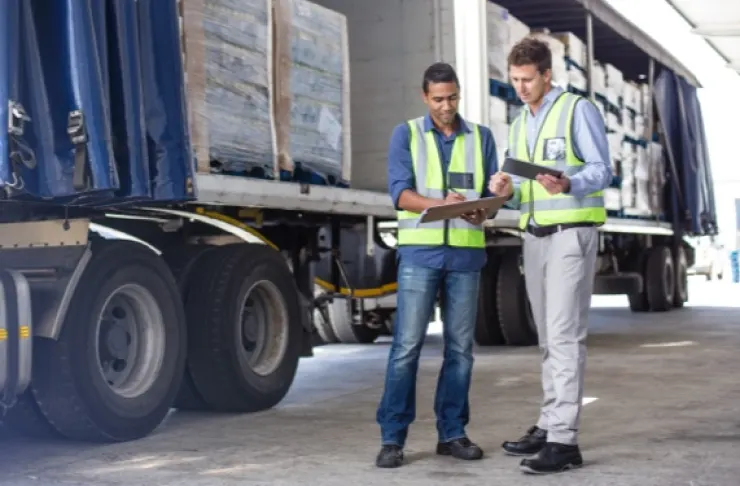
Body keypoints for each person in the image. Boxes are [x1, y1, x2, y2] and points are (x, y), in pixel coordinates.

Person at [489, 37, 612, 475]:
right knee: (548, 337)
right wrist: (504, 189)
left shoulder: (577, 110)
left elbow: (602, 169)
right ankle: (548, 422)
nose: (520, 87)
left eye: (527, 79)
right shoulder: (521, 122)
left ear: (546, 75)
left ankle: (564, 441)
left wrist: (569, 183)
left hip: (571, 234)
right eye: (515, 80)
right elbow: (523, 184)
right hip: (535, 236)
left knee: (564, 336)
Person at [375, 62, 499, 469]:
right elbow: (400, 194)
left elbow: (486, 199)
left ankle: (452, 433)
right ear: (425, 96)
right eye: (439, 99)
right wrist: (441, 206)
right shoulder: (406, 134)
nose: (447, 106)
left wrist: (482, 211)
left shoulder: (481, 137)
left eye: (453, 98)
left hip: (465, 256)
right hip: (420, 256)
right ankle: (393, 438)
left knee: (461, 350)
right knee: (406, 349)